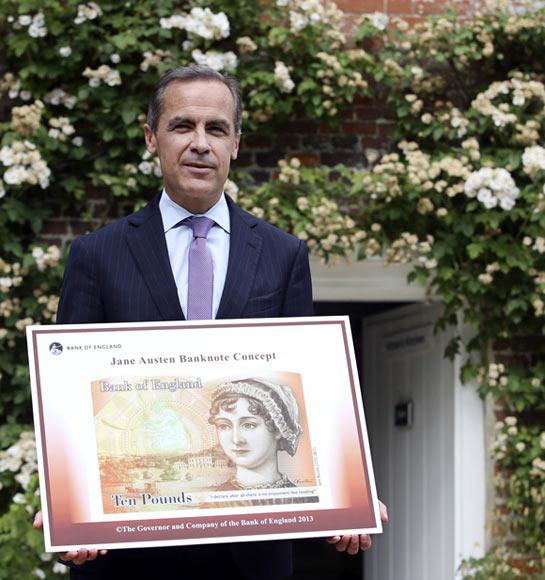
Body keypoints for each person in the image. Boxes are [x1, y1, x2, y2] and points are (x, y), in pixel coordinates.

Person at [33, 65, 387, 578]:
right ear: (152, 138)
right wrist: (65, 507)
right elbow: (67, 401)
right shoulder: (97, 255)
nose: (201, 143)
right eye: (183, 126)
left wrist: (350, 495)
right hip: (128, 557)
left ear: (236, 144)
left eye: (216, 129)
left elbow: (305, 391)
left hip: (250, 557)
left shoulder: (284, 255)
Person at [209, 378, 302, 490]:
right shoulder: (216, 502)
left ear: (278, 429)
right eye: (224, 426)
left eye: (248, 425)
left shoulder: (303, 498)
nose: (236, 439)